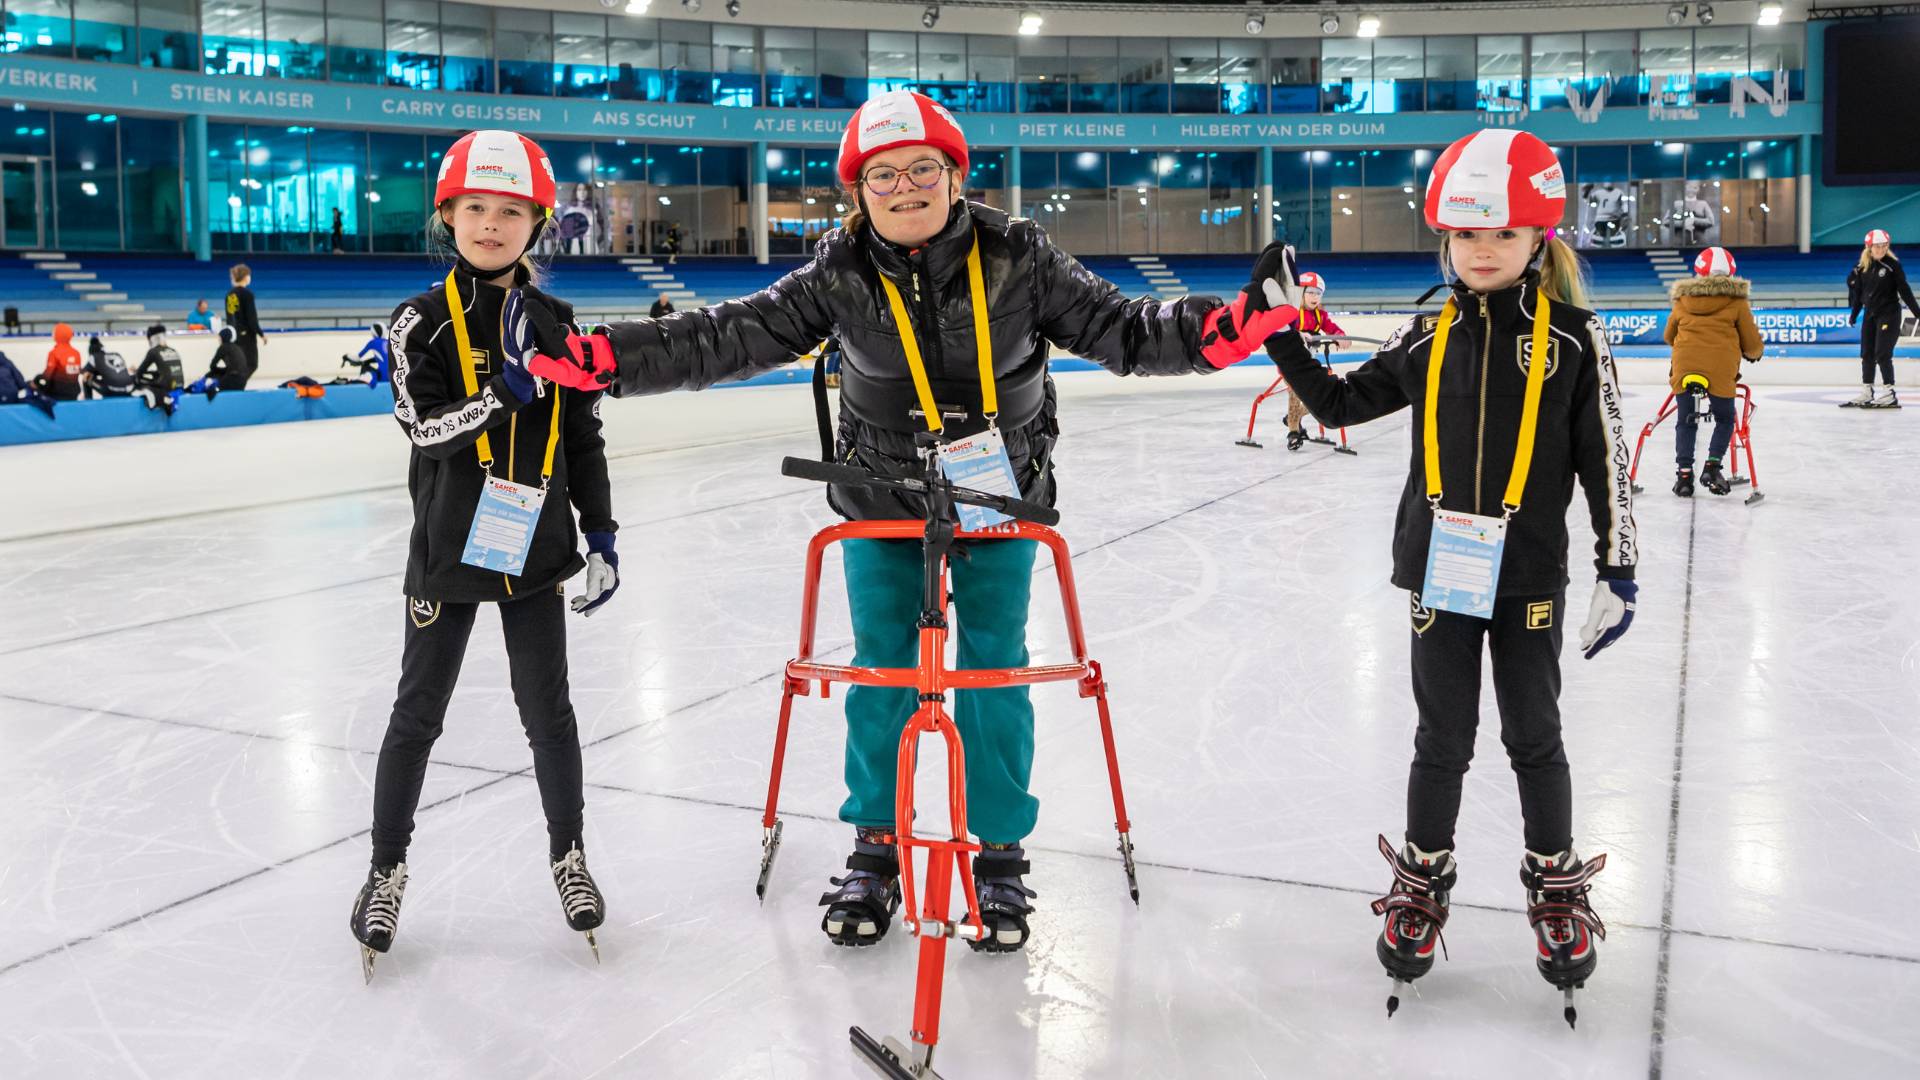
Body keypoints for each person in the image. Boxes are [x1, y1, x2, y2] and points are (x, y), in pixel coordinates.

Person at [515, 89, 1298, 953]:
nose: (904, 187)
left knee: (996, 664)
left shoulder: (1019, 255)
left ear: (956, 177)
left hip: (1001, 495)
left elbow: (1124, 328)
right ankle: (876, 848)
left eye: (924, 168)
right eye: (882, 174)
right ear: (859, 191)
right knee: (883, 670)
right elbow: (725, 337)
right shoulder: (837, 268)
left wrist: (1222, 331)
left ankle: (998, 858)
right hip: (882, 498)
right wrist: (608, 360)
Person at [1264, 129, 1637, 1024]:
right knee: (1442, 738)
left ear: (1538, 242)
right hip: (1441, 573)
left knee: (1534, 737)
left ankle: (1554, 882)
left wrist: (1616, 569)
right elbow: (1346, 402)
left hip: (1530, 578)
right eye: (1468, 236)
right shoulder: (1428, 330)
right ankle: (1423, 881)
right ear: (1445, 240)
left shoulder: (1578, 340)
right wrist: (1279, 336)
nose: (1482, 250)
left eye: (1503, 236)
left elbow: (1608, 462)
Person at [350, 129, 620, 982]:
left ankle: (568, 856)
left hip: (534, 551)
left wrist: (602, 532)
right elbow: (424, 433)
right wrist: (504, 390)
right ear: (449, 216)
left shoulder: (559, 321)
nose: (493, 226)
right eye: (477, 209)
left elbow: (581, 437)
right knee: (417, 715)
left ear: (536, 223)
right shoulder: (417, 323)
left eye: (511, 211)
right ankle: (384, 870)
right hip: (446, 557)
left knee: (550, 715)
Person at [1664, 246, 1762, 496]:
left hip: (1685, 368)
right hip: (1720, 368)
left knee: (1685, 421)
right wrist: (1753, 354)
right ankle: (1712, 465)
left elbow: (1668, 336)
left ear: (1698, 272)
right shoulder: (1737, 302)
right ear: (1731, 273)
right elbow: (1751, 344)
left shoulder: (1681, 300)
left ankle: (1684, 477)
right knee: (1725, 419)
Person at [1845, 228, 1918, 409]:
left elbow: (1905, 290)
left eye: (1884, 246)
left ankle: (1889, 393)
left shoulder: (1892, 265)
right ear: (1869, 247)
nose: (1881, 249)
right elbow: (1858, 294)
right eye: (1877, 246)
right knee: (1867, 354)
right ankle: (1867, 391)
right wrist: (1854, 315)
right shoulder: (1862, 267)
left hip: (1889, 314)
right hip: (1870, 314)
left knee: (1882, 354)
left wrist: (1917, 312)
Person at [1281, 271, 1345, 451]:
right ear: (1300, 294)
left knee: (1322, 395)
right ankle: (1293, 432)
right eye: (1311, 292)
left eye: (1318, 293)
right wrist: (1299, 334)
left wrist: (1341, 336)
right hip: (1289, 364)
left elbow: (1332, 328)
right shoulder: (1291, 313)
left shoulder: (1320, 315)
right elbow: (1283, 330)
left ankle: (1294, 417)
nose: (1315, 297)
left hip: (1309, 364)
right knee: (1295, 392)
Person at [224, 263, 266, 384]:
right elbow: (252, 318)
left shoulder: (230, 294)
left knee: (238, 364)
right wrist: (260, 333)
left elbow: (231, 316)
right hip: (246, 335)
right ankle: (236, 384)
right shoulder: (247, 294)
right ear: (246, 277)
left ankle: (235, 383)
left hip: (233, 334)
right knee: (251, 364)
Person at [133, 324, 186, 416]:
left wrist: (136, 372)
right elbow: (167, 370)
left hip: (167, 387)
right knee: (157, 376)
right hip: (179, 386)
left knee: (135, 379)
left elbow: (140, 372)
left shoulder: (153, 351)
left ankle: (156, 395)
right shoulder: (173, 350)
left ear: (152, 339)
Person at [35, 323, 84, 401]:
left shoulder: (54, 353)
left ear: (58, 335)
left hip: (57, 392)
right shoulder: (76, 353)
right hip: (74, 391)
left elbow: (48, 374)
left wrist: (36, 382)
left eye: (54, 332)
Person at [340, 321, 391, 385]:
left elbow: (357, 358)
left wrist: (346, 356)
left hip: (383, 377)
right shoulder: (389, 342)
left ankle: (362, 384)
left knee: (365, 366)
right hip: (392, 377)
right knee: (367, 363)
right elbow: (384, 358)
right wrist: (368, 361)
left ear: (373, 332)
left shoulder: (373, 342)